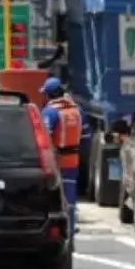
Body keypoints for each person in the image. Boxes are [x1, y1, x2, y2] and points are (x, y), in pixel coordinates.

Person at [39, 77, 84, 237]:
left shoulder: (50, 112)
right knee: (70, 199)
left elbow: (44, 137)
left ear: (49, 95)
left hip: (57, 162)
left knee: (54, 199)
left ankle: (60, 230)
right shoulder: (77, 110)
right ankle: (70, 229)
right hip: (73, 160)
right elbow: (84, 134)